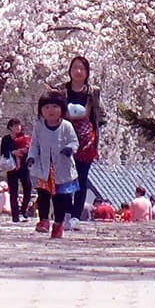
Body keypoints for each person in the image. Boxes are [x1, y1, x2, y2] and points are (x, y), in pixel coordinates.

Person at [56, 55, 102, 229]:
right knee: (66, 177)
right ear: (70, 70)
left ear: (87, 72)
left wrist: (94, 137)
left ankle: (76, 215)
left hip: (86, 140)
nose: (78, 71)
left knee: (81, 178)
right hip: (65, 137)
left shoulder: (93, 92)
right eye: (75, 67)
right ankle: (66, 213)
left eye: (82, 68)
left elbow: (97, 115)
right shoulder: (62, 90)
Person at [28, 91, 80, 239]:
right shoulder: (39, 126)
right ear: (41, 111)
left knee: (60, 200)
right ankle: (43, 221)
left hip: (62, 168)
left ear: (62, 109)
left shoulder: (66, 126)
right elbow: (34, 145)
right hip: (44, 168)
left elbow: (74, 141)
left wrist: (70, 148)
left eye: (54, 107)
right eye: (46, 107)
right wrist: (31, 157)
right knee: (43, 195)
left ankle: (58, 224)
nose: (50, 110)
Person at [0, 117, 32, 222]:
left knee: (28, 187)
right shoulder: (6, 139)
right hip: (11, 167)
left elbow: (29, 150)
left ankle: (23, 211)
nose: (18, 127)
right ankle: (15, 215)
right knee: (13, 191)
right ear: (10, 127)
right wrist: (13, 152)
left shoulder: (25, 138)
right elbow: (3, 152)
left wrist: (22, 152)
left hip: (23, 167)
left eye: (19, 125)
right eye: (15, 125)